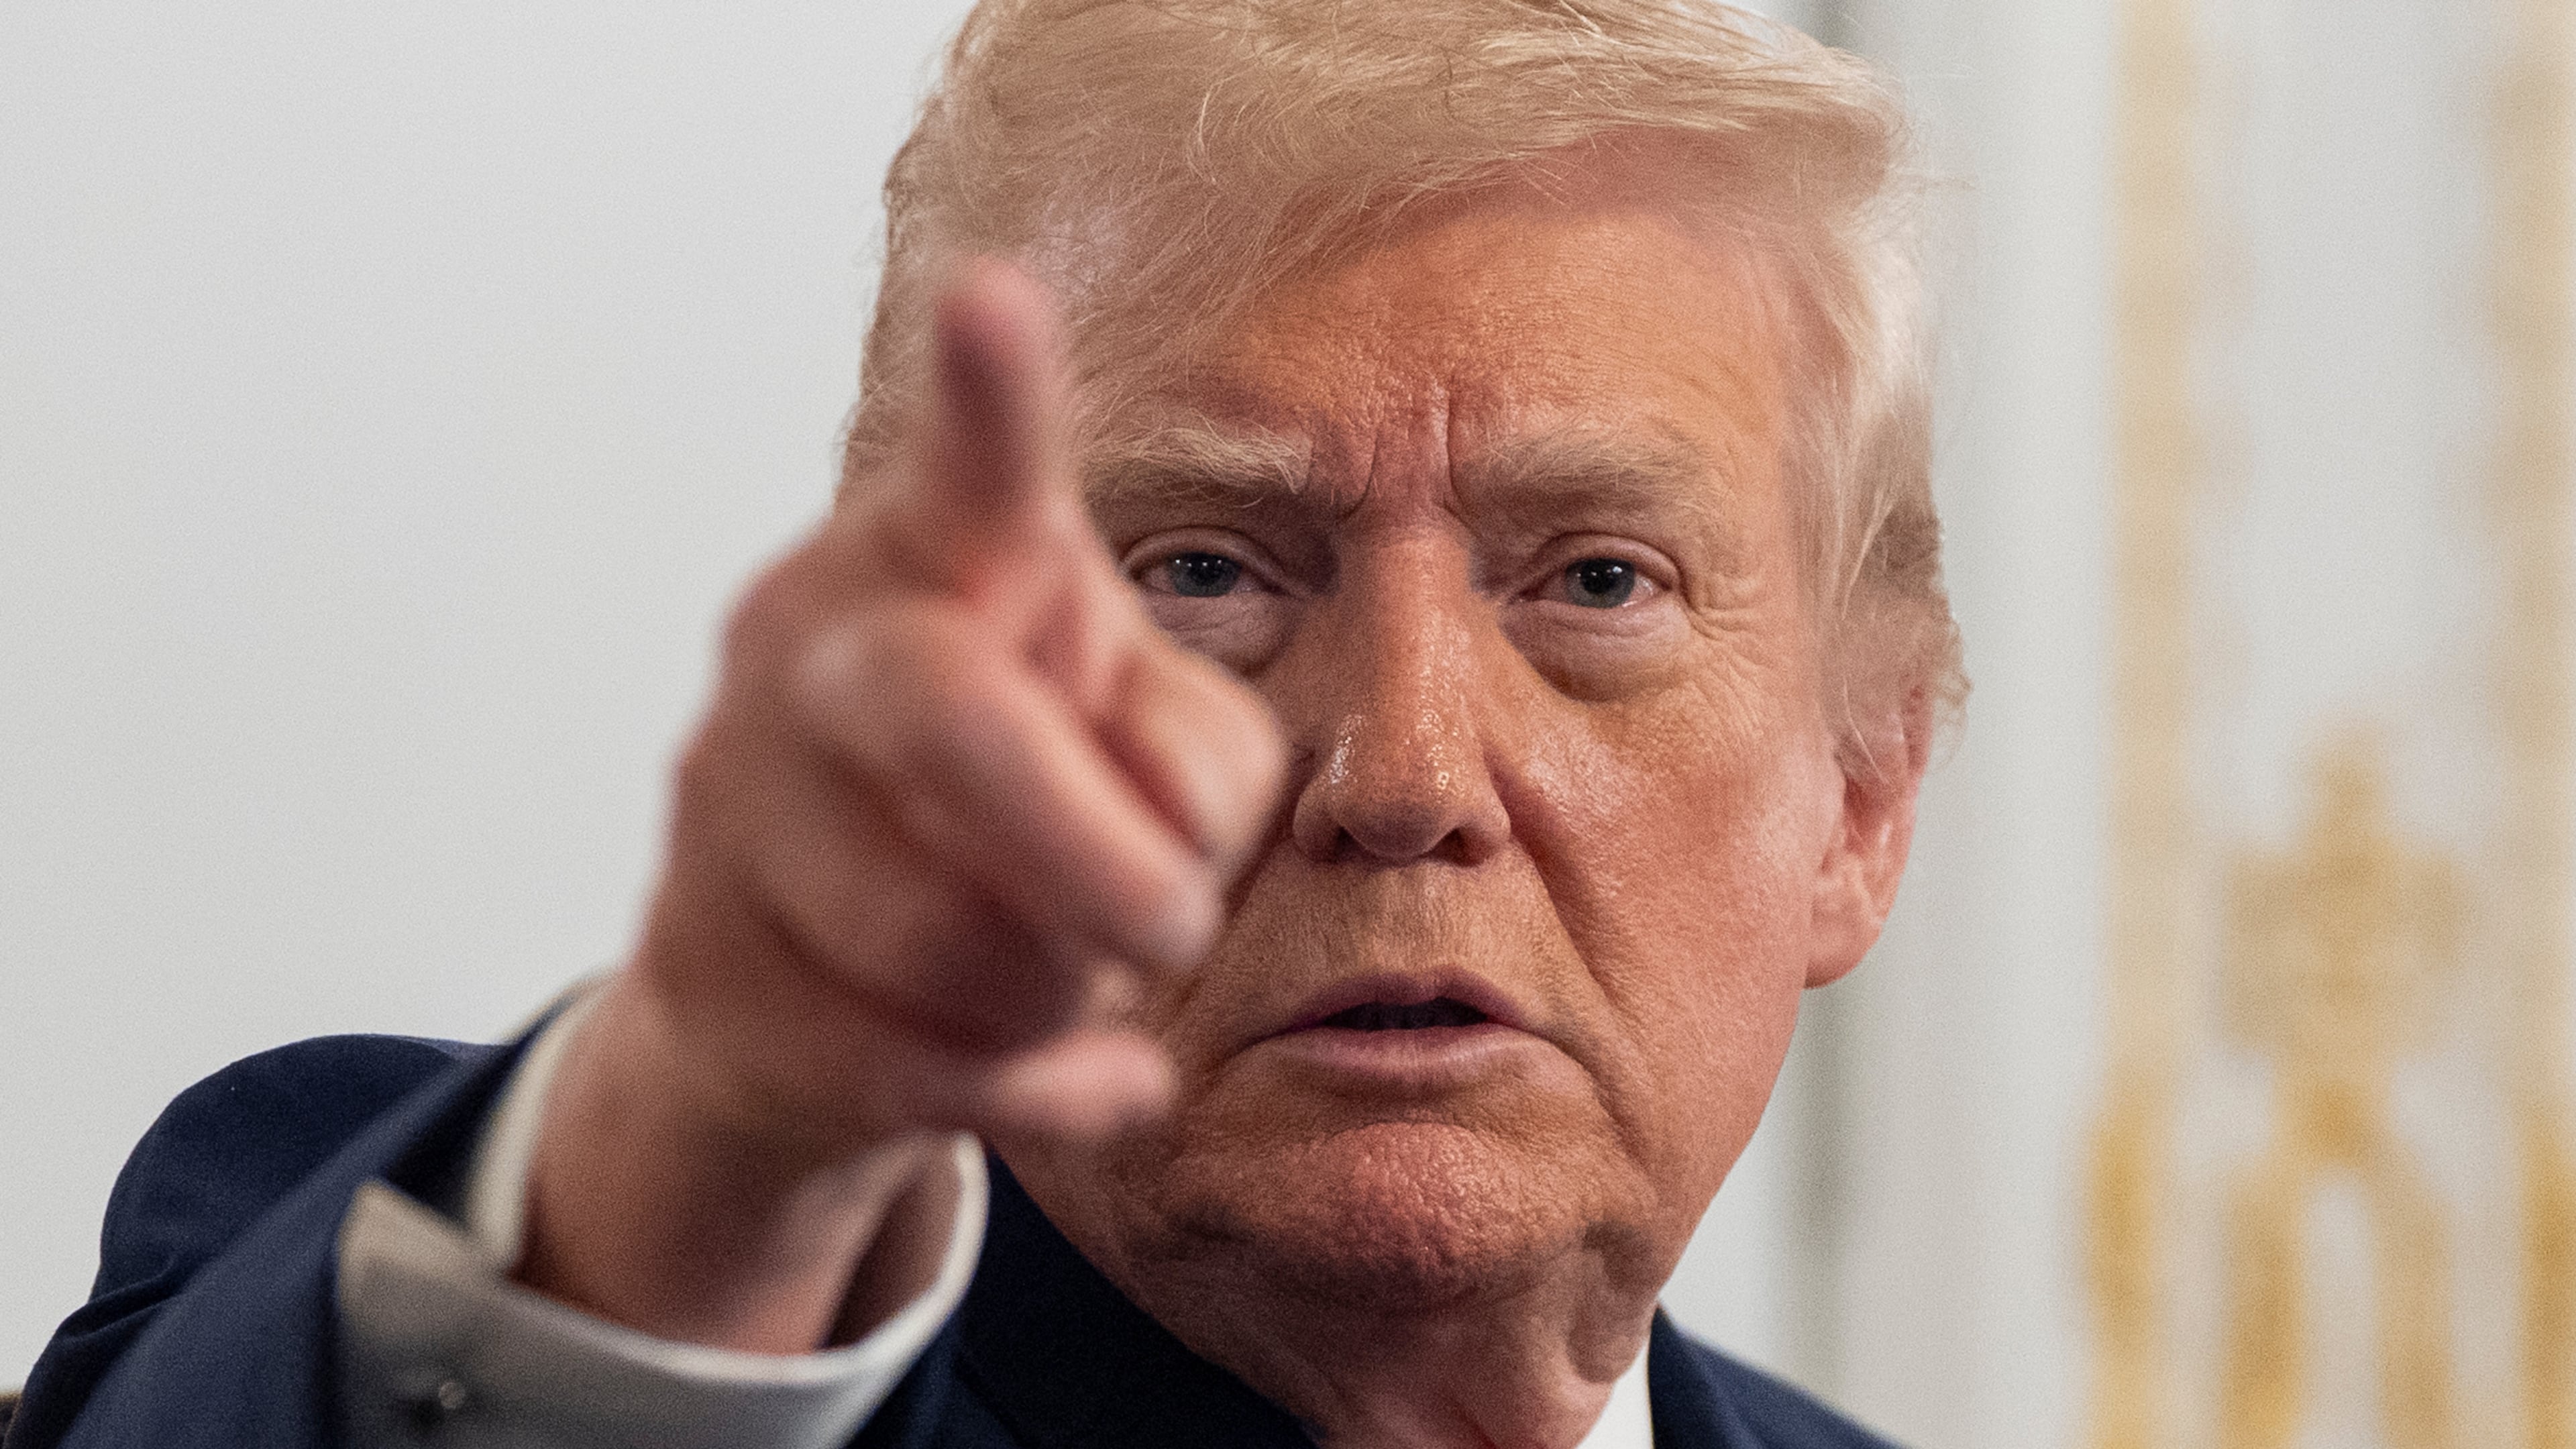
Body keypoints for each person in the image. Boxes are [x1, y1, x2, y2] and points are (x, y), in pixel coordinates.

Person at [12, 1, 1963, 1446]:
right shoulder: (466, 1258)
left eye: (1598, 582)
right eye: (1203, 572)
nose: (1403, 774)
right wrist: (702, 1131)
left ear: (1862, 803)